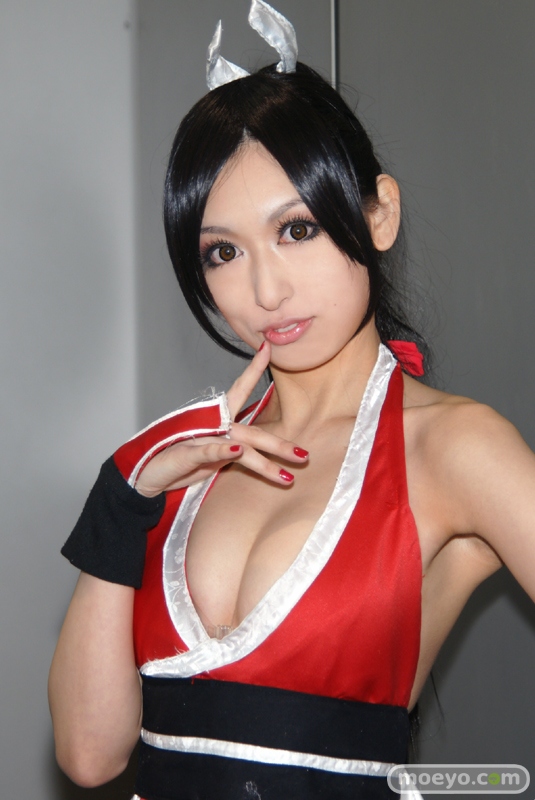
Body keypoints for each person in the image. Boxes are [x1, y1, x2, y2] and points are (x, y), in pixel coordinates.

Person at [48, 2, 535, 798]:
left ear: (378, 215)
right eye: (222, 252)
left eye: (297, 230)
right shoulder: (179, 467)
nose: (265, 289)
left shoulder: (452, 447)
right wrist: (123, 497)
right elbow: (90, 754)